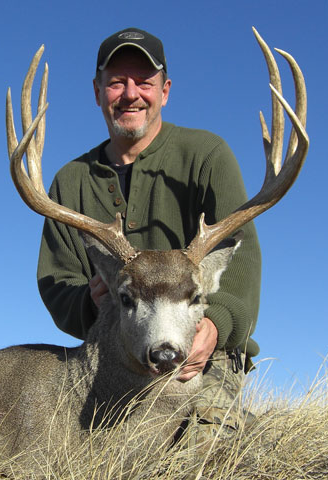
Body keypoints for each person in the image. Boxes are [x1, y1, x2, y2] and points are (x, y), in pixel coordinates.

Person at [36, 27, 261, 446]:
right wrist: (90, 301)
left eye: (144, 82)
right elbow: (56, 280)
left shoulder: (206, 155)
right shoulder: (70, 181)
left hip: (200, 353)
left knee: (203, 452)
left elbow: (241, 257)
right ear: (98, 90)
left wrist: (216, 323)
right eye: (117, 82)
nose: (131, 94)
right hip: (109, 356)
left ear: (165, 90)